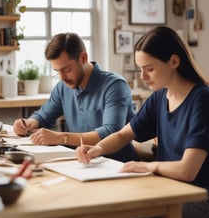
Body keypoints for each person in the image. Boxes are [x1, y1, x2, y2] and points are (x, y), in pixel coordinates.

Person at [76, 26, 209, 218]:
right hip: (173, 190)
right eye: (140, 69)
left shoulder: (204, 99)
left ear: (174, 62)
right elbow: (123, 135)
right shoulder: (160, 97)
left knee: (124, 213)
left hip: (208, 201)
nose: (143, 76)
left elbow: (187, 170)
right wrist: (97, 149)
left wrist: (149, 167)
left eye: (149, 69)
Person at [13, 32, 137, 162]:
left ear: (83, 58)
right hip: (80, 162)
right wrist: (27, 124)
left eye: (66, 70)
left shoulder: (115, 86)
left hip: (116, 165)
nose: (61, 77)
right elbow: (43, 116)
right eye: (57, 72)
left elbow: (110, 132)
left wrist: (62, 137)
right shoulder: (63, 86)